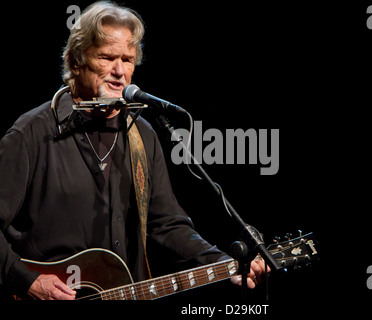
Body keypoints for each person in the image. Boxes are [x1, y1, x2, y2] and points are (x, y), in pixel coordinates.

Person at [0, 1, 267, 300]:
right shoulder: (31, 134)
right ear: (76, 61)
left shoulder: (142, 135)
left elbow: (167, 224)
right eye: (106, 57)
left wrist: (221, 262)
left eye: (127, 59)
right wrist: (26, 281)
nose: (119, 71)